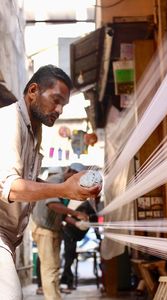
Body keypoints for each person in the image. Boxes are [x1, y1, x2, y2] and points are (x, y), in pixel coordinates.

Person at [0, 65, 101, 300]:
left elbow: (26, 180)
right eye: (55, 100)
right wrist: (64, 189)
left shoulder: (35, 131)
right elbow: (10, 187)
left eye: (63, 105)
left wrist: (77, 190)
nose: (59, 110)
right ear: (33, 90)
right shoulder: (9, 122)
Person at [31, 163, 88, 299]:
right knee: (49, 268)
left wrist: (77, 223)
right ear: (71, 172)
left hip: (53, 229)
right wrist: (76, 213)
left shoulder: (65, 187)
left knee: (55, 267)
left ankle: (55, 297)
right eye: (78, 179)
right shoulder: (55, 181)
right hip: (44, 229)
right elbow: (53, 204)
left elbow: (61, 214)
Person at [60, 197, 101, 291]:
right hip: (69, 235)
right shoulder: (86, 206)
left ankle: (66, 282)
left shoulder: (93, 209)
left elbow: (96, 227)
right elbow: (64, 217)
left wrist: (100, 239)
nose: (97, 199)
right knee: (69, 259)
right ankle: (65, 283)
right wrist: (77, 223)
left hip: (73, 237)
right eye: (96, 197)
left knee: (70, 258)